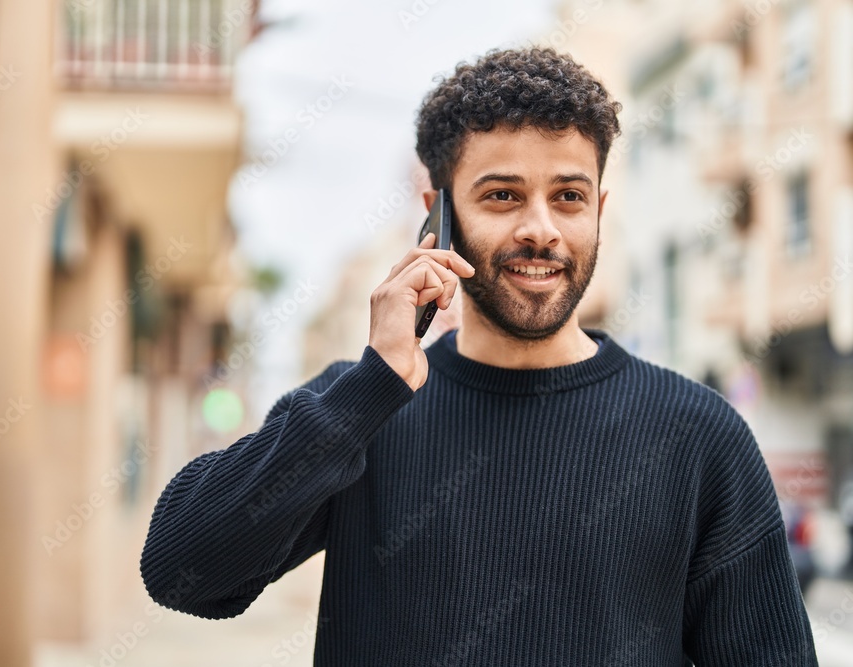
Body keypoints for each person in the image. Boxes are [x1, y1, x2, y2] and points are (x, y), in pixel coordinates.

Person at [140, 47, 818, 665]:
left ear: (600, 210)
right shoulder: (361, 411)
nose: (541, 229)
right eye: (503, 195)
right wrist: (367, 393)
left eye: (569, 197)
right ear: (439, 217)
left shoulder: (699, 435)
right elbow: (180, 568)